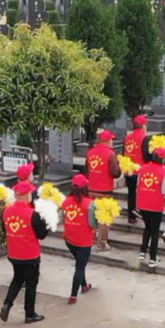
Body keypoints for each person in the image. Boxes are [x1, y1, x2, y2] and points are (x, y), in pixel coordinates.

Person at [0, 179, 48, 324]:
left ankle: (7, 303)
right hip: (30, 254)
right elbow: (41, 234)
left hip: (14, 253)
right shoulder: (32, 214)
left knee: (17, 278)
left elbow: (5, 230)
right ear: (28, 195)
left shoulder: (6, 211)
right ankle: (29, 313)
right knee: (31, 283)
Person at [61, 174, 97, 305]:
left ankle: (84, 285)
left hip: (69, 239)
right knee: (80, 267)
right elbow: (93, 224)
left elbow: (63, 218)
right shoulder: (89, 203)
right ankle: (73, 295)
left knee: (79, 263)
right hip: (84, 240)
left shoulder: (65, 202)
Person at [85, 129, 121, 252]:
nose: (112, 141)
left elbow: (87, 169)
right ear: (107, 141)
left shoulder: (90, 152)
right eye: (111, 139)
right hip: (104, 190)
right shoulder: (110, 154)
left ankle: (94, 237)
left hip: (91, 188)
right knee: (104, 217)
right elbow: (114, 173)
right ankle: (102, 242)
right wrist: (120, 167)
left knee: (93, 214)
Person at [137, 148, 165, 268]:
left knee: (147, 228)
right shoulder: (164, 171)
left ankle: (142, 251)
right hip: (155, 205)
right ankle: (153, 257)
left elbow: (138, 184)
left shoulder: (143, 168)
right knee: (155, 231)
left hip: (142, 203)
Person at [122, 115, 151, 225]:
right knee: (141, 192)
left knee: (131, 193)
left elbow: (123, 154)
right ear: (143, 126)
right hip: (140, 170)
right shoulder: (145, 138)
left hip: (129, 170)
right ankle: (138, 211)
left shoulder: (127, 138)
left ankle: (131, 216)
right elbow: (146, 156)